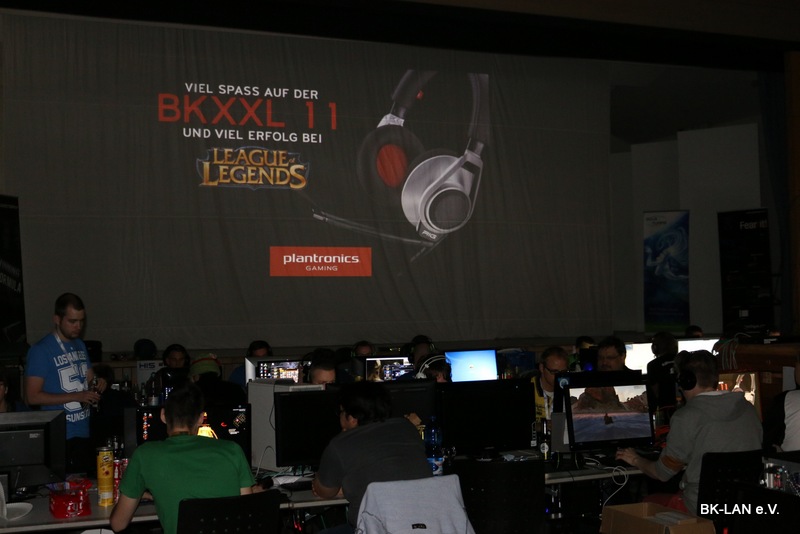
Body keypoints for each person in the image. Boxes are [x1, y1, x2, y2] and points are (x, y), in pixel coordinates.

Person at [616, 350, 762, 514]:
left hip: (699, 506)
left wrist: (635, 459)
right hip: (742, 504)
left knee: (646, 502)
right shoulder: (749, 410)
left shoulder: (686, 416)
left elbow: (662, 473)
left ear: (686, 381)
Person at [110, 383, 254, 534]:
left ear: (163, 415)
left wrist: (139, 493)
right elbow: (247, 512)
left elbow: (118, 524)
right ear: (201, 418)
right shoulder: (233, 451)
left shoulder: (144, 455)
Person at [313, 381, 432, 532]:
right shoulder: (408, 429)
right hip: (425, 526)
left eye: (341, 412)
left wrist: (335, 484)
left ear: (352, 418)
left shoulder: (341, 444)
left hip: (374, 529)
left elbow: (325, 491)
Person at [24, 293, 106, 473]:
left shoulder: (80, 345)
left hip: (83, 428)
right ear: (57, 319)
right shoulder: (41, 350)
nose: (78, 326)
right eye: (72, 321)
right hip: (60, 434)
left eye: (81, 321)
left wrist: (98, 382)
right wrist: (77, 396)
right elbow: (32, 397)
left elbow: (90, 379)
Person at [646, 332, 680, 416]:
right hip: (682, 406)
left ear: (655, 348)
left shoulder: (653, 365)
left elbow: (655, 393)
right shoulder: (682, 361)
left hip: (664, 410)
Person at [533, 346, 569, 421]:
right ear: (541, 368)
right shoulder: (527, 388)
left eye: (563, 372)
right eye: (554, 372)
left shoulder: (568, 390)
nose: (559, 377)